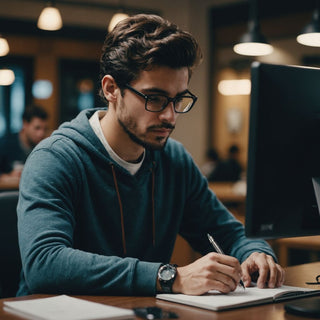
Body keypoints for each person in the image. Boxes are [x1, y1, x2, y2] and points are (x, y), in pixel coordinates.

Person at [17, 14, 284, 297]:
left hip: (141, 312)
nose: (169, 116)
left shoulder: (174, 160)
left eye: (178, 99)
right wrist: (170, 277)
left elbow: (228, 233)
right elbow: (44, 264)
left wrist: (255, 253)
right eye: (154, 98)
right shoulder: (56, 158)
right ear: (111, 89)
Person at [0, 104, 48, 179]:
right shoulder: (5, 144)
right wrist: (8, 177)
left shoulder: (43, 148)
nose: (41, 134)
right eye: (37, 128)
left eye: (44, 129)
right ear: (25, 124)